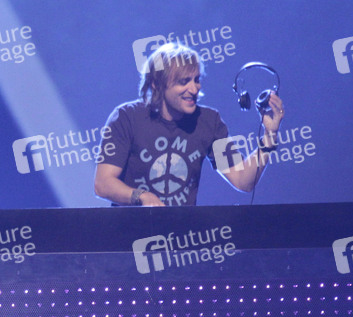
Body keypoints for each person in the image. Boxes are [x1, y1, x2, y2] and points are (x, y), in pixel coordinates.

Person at [94, 42, 284, 207]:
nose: (194, 89)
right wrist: (141, 196)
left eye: (197, 80)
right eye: (184, 82)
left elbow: (243, 180)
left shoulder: (209, 121)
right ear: (156, 84)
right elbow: (102, 184)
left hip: (184, 233)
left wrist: (270, 134)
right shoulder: (127, 118)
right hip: (131, 234)